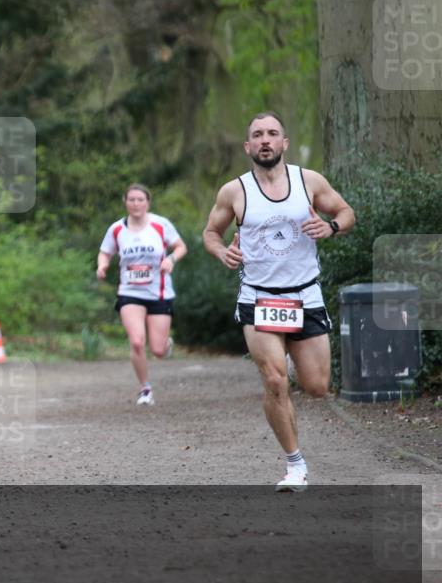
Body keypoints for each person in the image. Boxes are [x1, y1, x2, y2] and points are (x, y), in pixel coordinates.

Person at [202, 111, 355, 492]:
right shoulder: (233, 191)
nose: (265, 140)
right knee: (274, 382)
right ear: (248, 146)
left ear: (285, 142)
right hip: (259, 296)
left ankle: (286, 356)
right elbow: (210, 232)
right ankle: (295, 465)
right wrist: (222, 252)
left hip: (305, 293)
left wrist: (331, 226)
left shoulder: (309, 181)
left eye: (273, 133)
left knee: (317, 386)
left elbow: (346, 211)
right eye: (258, 135)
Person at [96, 184, 187, 405]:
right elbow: (105, 252)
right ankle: (145, 388)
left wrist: (170, 260)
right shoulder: (117, 229)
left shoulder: (160, 224)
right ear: (125, 202)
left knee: (157, 350)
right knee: (137, 342)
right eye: (132, 200)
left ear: (148, 203)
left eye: (140, 200)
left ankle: (166, 345)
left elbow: (181, 247)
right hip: (129, 292)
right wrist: (102, 266)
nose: (136, 204)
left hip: (159, 292)